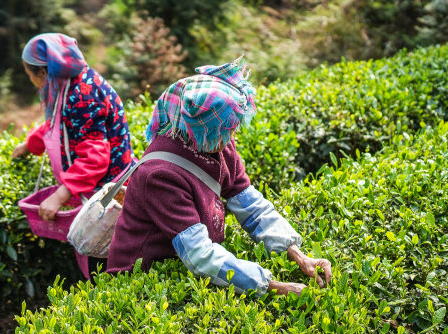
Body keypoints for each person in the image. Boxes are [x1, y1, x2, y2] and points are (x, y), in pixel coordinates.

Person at [106, 59, 331, 295]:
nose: (232, 134)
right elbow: (199, 255)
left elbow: (250, 205)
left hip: (184, 265)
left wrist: (300, 256)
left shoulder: (215, 142)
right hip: (145, 278)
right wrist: (275, 287)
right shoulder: (159, 174)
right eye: (227, 128)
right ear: (204, 128)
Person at [11, 33, 134, 221]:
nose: (31, 81)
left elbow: (95, 158)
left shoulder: (83, 96)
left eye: (30, 75)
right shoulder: (71, 82)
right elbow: (62, 125)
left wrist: (59, 197)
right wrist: (30, 145)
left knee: (102, 249)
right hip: (99, 191)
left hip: (110, 199)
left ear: (43, 73)